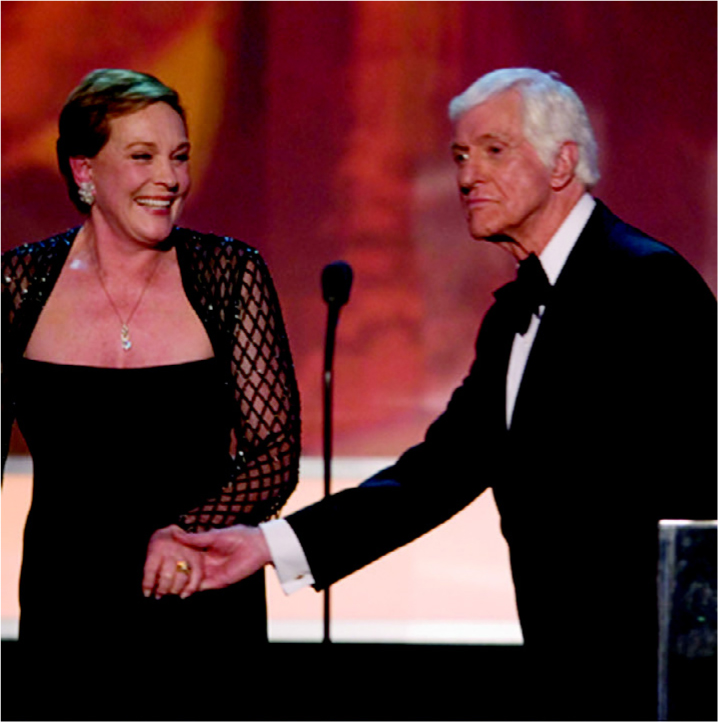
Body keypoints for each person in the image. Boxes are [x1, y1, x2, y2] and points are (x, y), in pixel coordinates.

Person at [159, 68, 715, 720]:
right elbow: (436, 475)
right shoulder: (513, 315)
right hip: (566, 671)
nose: (466, 175)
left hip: (655, 676)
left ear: (562, 163)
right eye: (460, 155)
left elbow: (699, 488)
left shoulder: (646, 284)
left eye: (493, 150)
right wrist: (267, 544)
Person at [1, 68, 300, 717]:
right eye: (143, 156)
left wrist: (189, 533)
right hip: (67, 606)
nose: (170, 177)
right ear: (85, 170)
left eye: (180, 155)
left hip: (201, 592)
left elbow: (274, 452)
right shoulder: (17, 286)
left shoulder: (229, 275)